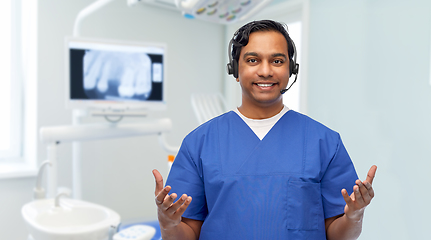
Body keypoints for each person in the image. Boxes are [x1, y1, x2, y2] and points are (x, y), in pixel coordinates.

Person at [153, 20, 377, 240]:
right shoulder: (199, 144)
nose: (265, 71)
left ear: (291, 69)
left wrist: (355, 215)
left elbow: (338, 236)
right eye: (253, 60)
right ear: (235, 69)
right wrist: (168, 223)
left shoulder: (324, 142)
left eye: (277, 61)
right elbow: (186, 234)